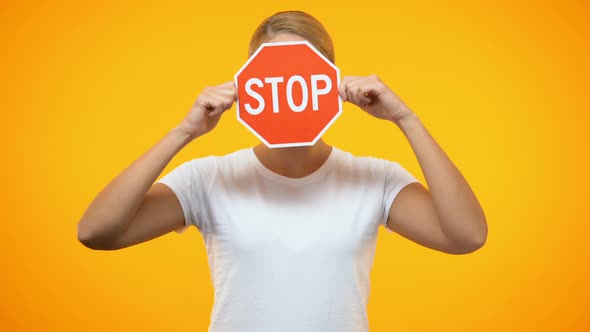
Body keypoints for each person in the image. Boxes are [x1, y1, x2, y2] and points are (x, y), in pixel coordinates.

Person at [77, 10, 487, 332]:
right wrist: (184, 132)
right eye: (272, 68)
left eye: (303, 67)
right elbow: (96, 232)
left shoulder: (373, 178)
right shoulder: (209, 178)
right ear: (251, 79)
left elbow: (466, 235)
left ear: (329, 79)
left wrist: (406, 119)